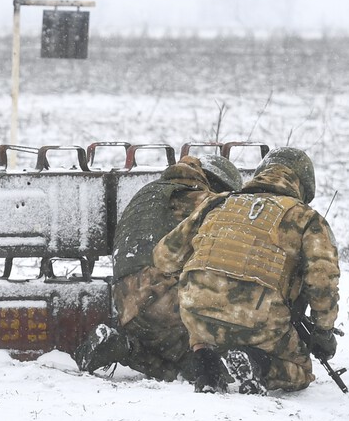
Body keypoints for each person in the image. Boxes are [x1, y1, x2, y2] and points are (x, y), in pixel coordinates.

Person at [150, 147, 341, 394]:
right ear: (304, 186)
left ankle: (208, 367)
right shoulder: (306, 218)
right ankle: (255, 362)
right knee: (299, 372)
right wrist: (323, 331)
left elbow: (164, 258)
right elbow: (322, 280)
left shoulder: (218, 201)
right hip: (259, 318)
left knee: (203, 317)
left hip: (196, 311)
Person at [74, 153, 242, 379]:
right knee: (215, 363)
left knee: (170, 357)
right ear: (217, 184)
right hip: (165, 296)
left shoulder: (147, 195)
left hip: (126, 303)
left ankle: (125, 346)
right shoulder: (203, 201)